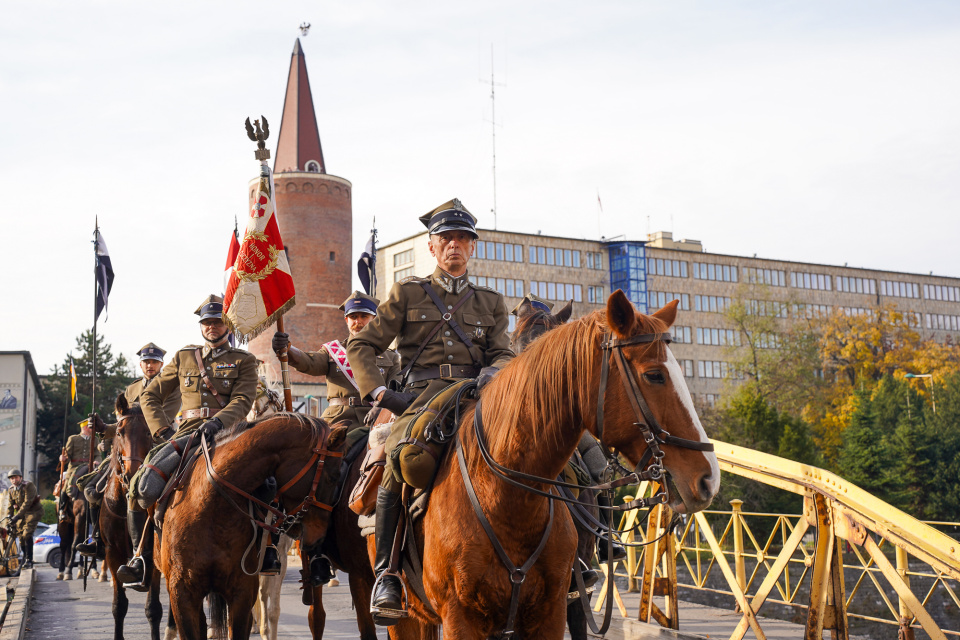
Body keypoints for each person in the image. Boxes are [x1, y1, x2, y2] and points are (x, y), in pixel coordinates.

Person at [346, 198, 514, 624]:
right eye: (446, 239)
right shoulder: (408, 292)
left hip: (476, 397)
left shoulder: (491, 301)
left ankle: (575, 559)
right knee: (394, 456)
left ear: (472, 248)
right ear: (432, 247)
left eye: (463, 238)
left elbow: (502, 354)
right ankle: (387, 574)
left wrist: (493, 375)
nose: (454, 245)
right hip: (419, 398)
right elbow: (362, 344)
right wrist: (379, 392)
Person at [115, 295, 259, 586]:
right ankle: (140, 557)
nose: (211, 327)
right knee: (138, 484)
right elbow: (149, 396)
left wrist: (218, 422)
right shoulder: (184, 357)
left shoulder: (244, 360)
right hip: (187, 433)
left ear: (227, 324)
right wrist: (161, 431)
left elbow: (244, 399)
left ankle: (266, 551)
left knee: (268, 483)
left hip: (229, 431)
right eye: (206, 322)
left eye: (216, 321)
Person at [272, 290, 401, 586]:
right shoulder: (333, 352)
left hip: (378, 422)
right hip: (338, 423)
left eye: (363, 317)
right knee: (314, 474)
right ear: (346, 321)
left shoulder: (390, 356)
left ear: (374, 319)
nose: (358, 322)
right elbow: (308, 363)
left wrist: (382, 405)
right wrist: (288, 350)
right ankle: (314, 546)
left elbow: (396, 385)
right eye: (353, 317)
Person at [78, 342, 181, 557]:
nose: (150, 366)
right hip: (130, 448)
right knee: (92, 488)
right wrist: (104, 428)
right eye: (146, 362)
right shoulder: (132, 389)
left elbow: (163, 418)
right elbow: (126, 422)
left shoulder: (172, 386)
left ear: (161, 364)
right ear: (141, 364)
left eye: (154, 362)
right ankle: (96, 538)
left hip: (157, 444)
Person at [58, 419, 101, 518]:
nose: (93, 429)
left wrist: (97, 461)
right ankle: (62, 509)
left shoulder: (95, 439)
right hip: (74, 467)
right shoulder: (73, 439)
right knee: (66, 484)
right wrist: (63, 458)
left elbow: (98, 454)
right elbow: (67, 455)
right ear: (85, 427)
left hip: (89, 467)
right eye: (91, 427)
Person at [5, 469, 44, 569]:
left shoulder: (28, 485)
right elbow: (10, 505)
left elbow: (27, 503)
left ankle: (29, 560)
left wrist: (17, 516)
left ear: (21, 478)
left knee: (27, 534)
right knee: (20, 536)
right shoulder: (11, 489)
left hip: (33, 511)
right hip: (22, 513)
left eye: (16, 477)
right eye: (12, 478)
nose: (14, 480)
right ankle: (26, 558)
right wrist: (9, 517)